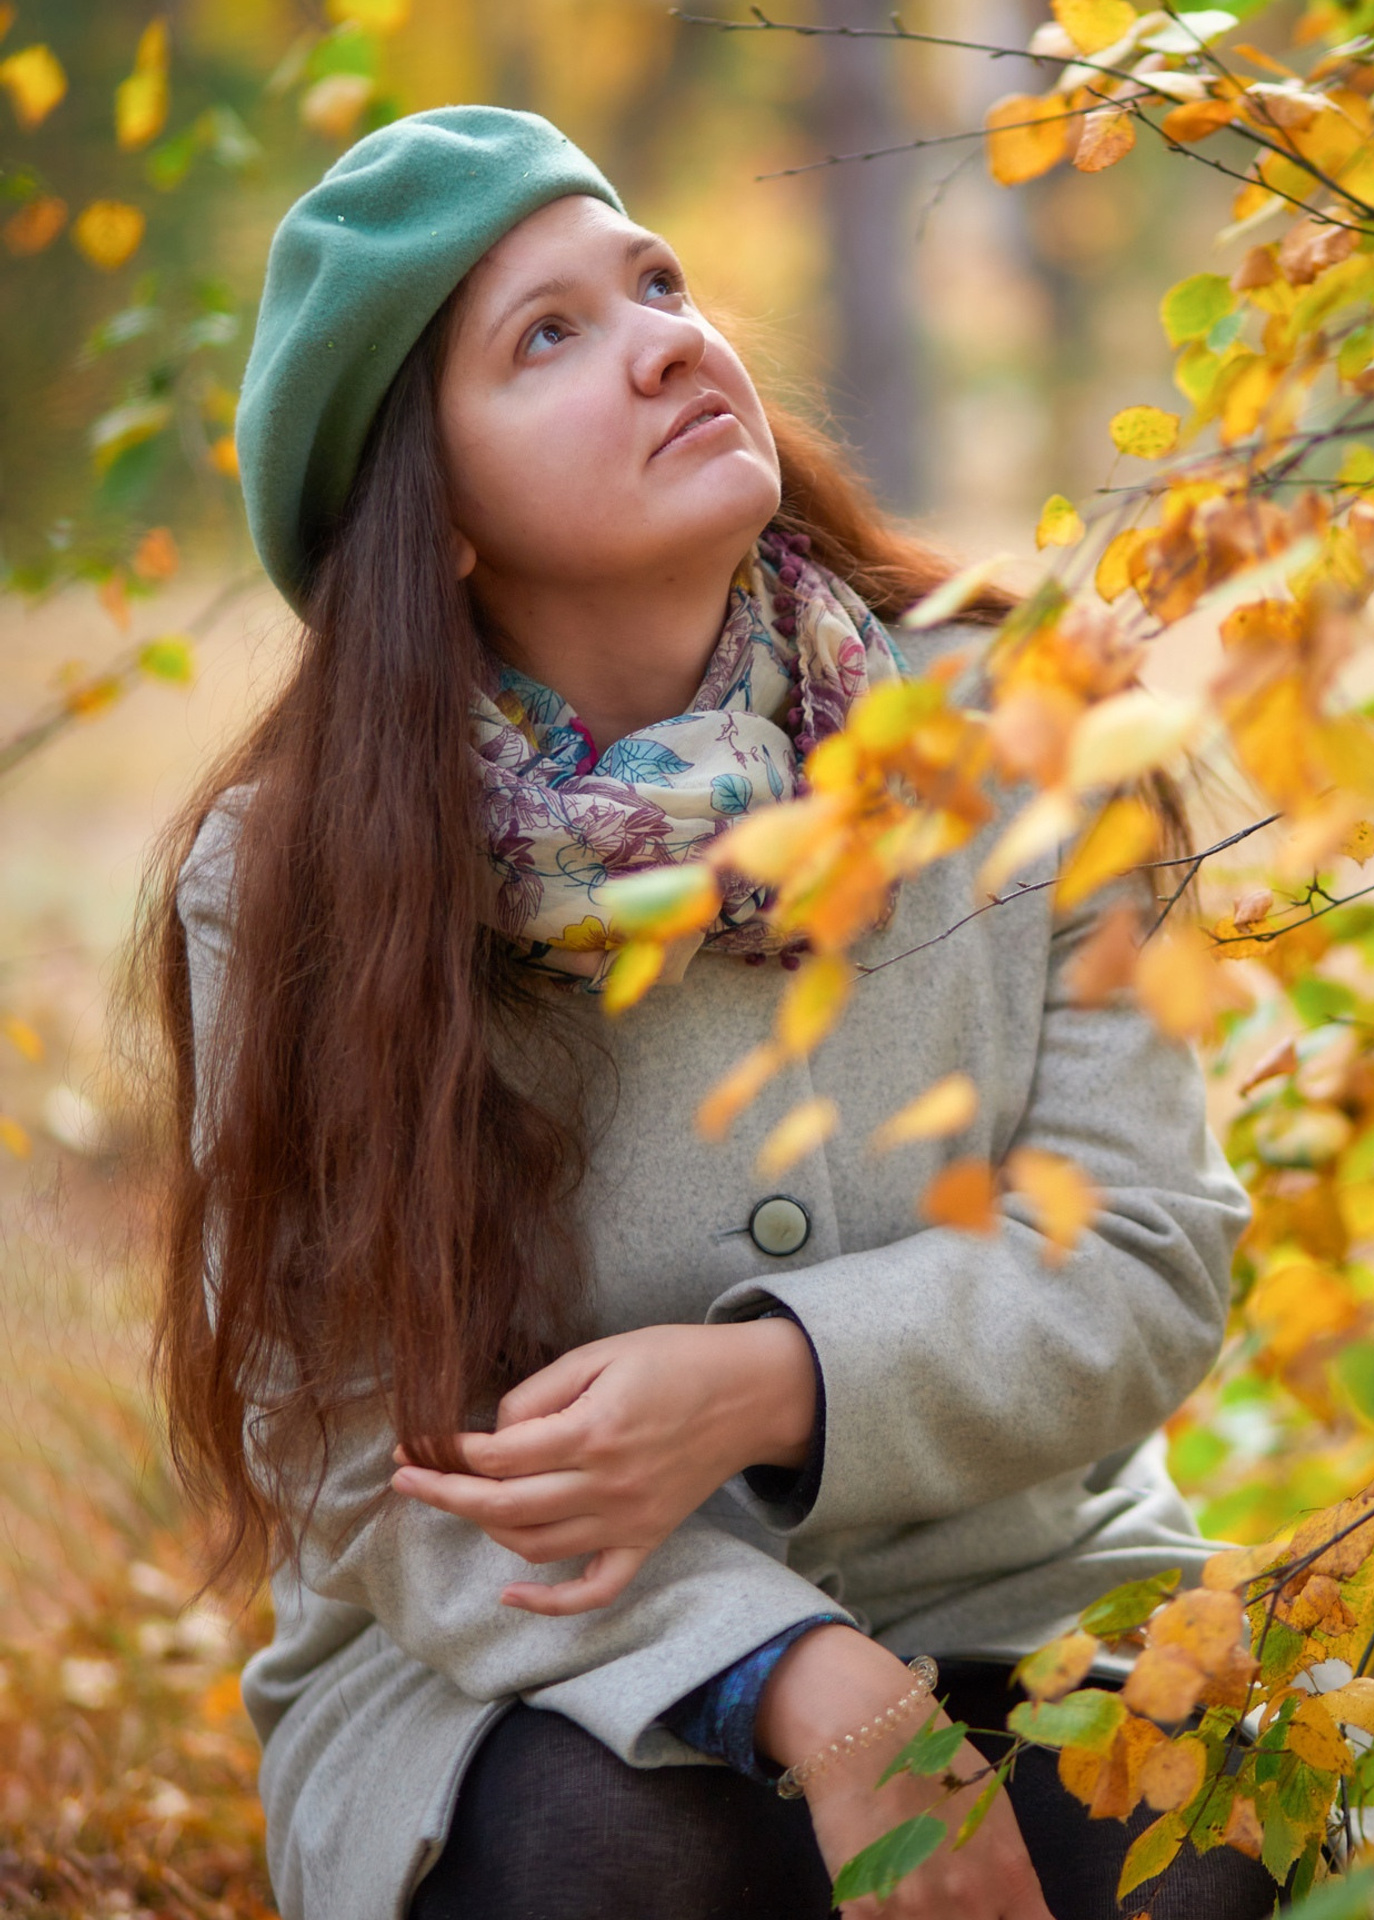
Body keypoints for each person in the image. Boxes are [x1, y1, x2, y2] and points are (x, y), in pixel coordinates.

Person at [142, 106, 1273, 1920]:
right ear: (430, 526)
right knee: (625, 1869)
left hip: (1019, 1596)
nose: (671, 336)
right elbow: (353, 1444)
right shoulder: (292, 880)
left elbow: (1147, 1254)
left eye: (655, 281)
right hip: (510, 1669)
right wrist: (792, 1673)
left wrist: (776, 1382)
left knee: (1188, 1873)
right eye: (550, 336)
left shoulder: (1020, 717)